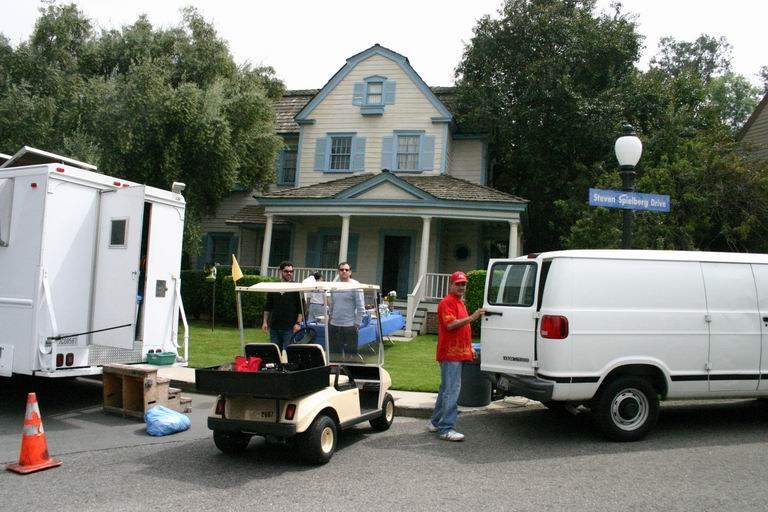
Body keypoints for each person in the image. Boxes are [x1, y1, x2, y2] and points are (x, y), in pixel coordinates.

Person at [428, 271, 485, 442]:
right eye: (458, 284)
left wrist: (469, 347)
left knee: (446, 389)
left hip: (458, 352)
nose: (461, 287)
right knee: (451, 391)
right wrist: (472, 317)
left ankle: (435, 422)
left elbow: (463, 330)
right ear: (450, 285)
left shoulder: (460, 302)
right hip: (450, 354)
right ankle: (446, 429)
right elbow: (451, 325)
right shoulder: (447, 302)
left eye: (463, 284)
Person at [261, 261, 303, 349]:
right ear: (280, 271)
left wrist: (298, 323)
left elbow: (301, 308)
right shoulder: (274, 287)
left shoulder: (297, 287)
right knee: (275, 351)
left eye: (291, 271)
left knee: (289, 351)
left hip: (290, 327)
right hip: (274, 326)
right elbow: (268, 306)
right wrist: (265, 322)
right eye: (286, 271)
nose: (289, 273)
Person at [328, 262, 364, 361]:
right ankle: (336, 369)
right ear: (338, 272)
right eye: (341, 270)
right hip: (334, 324)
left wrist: (357, 323)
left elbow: (361, 307)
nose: (344, 271)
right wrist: (330, 317)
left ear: (350, 272)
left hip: (350, 325)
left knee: (350, 356)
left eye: (346, 270)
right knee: (334, 355)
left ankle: (348, 369)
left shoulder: (356, 285)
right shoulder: (334, 286)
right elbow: (332, 304)